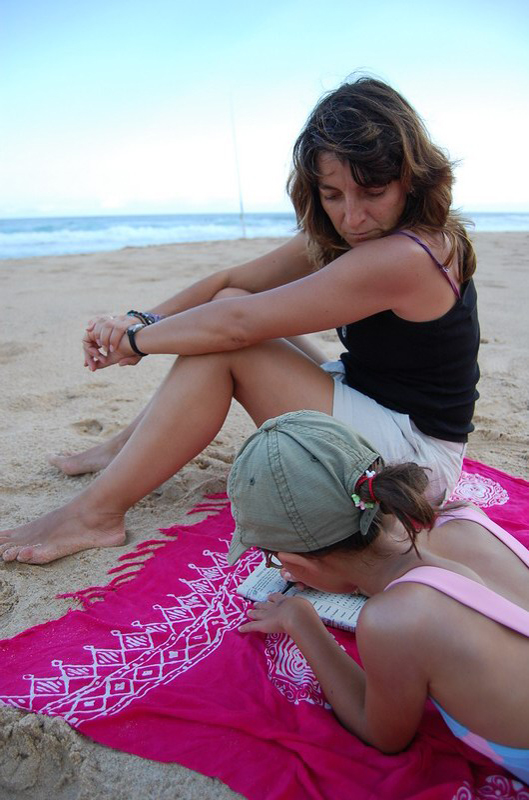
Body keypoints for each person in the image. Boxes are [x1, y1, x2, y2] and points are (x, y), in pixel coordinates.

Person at [0, 76, 479, 564]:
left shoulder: (409, 255)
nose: (352, 216)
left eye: (372, 190)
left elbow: (237, 325)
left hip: (414, 460)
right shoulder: (356, 233)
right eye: (333, 194)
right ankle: (122, 450)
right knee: (229, 301)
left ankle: (96, 514)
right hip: (371, 400)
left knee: (231, 345)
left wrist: (138, 341)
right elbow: (233, 282)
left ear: (411, 177)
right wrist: (138, 318)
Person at [229, 411, 529, 784]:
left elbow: (383, 735)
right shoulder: (462, 519)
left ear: (293, 563)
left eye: (272, 560)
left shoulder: (396, 622)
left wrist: (299, 620)